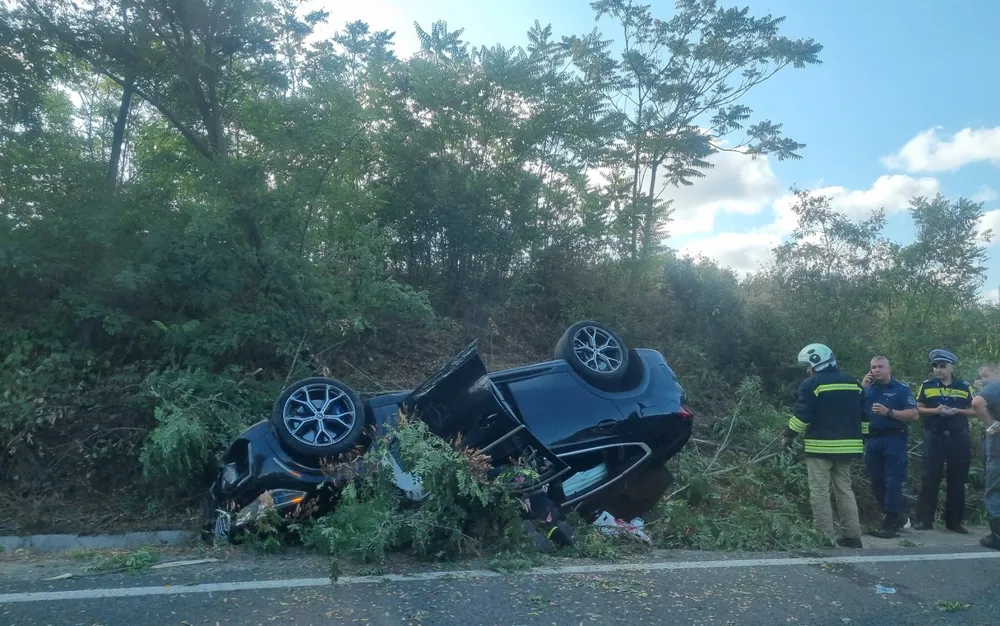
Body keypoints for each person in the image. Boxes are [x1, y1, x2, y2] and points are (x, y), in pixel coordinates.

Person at [783, 343, 865, 548]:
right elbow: (865, 416)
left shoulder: (811, 384)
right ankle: (852, 535)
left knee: (819, 491)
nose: (807, 370)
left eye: (808, 365)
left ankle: (824, 536)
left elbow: (803, 416)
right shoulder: (853, 383)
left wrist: (788, 435)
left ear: (816, 362)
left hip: (821, 448)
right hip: (849, 448)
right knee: (844, 489)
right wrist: (863, 438)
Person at [913, 349, 976, 533]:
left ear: (951, 367)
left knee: (957, 479)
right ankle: (924, 520)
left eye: (942, 366)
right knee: (929, 477)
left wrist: (958, 411)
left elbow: (976, 409)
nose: (938, 370)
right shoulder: (927, 385)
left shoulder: (964, 386)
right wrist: (935, 411)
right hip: (935, 436)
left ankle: (954, 522)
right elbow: (917, 409)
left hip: (958, 436)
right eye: (935, 366)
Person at [861, 356, 919, 538]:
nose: (876, 370)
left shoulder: (901, 390)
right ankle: (898, 515)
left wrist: (890, 412)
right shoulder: (868, 389)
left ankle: (892, 521)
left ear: (889, 369)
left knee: (893, 481)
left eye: (880, 367)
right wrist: (862, 388)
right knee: (877, 482)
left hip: (894, 438)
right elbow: (856, 408)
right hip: (872, 440)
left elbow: (914, 414)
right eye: (873, 367)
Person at [971, 363, 1000, 550]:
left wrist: (991, 425)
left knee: (995, 487)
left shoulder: (995, 386)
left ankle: (997, 535)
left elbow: (976, 403)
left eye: (986, 375)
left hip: (997, 443)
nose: (984, 380)